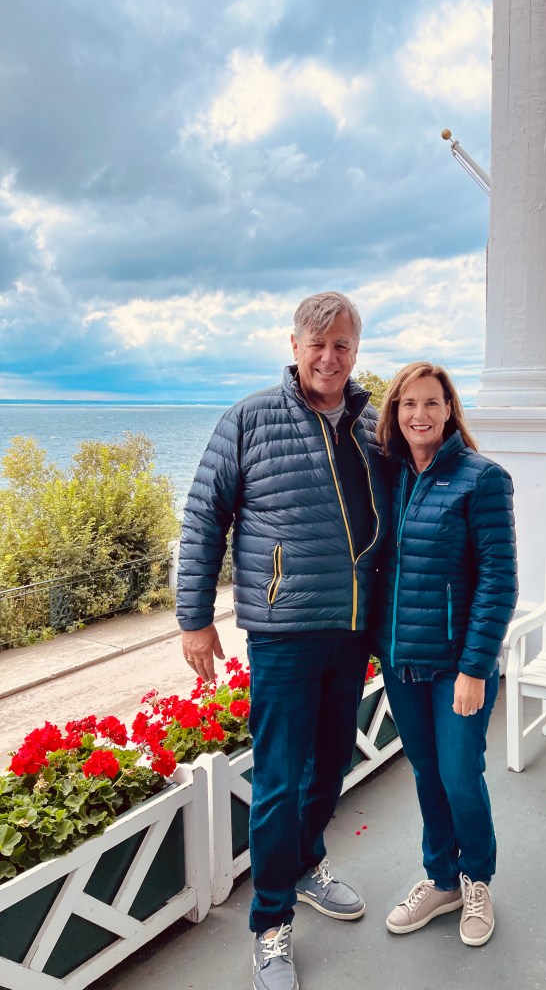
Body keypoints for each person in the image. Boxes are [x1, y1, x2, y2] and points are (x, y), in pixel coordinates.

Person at [175, 292, 387, 990]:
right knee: (277, 781)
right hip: (283, 632)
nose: (330, 357)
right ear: (294, 346)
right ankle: (271, 923)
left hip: (350, 630)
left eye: (343, 345)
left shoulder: (371, 425)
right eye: (317, 344)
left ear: (355, 351)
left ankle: (305, 865)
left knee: (329, 767)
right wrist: (194, 617)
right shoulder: (249, 420)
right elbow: (204, 517)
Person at [375, 361, 517, 948]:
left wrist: (474, 668)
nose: (420, 414)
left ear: (450, 409)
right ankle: (441, 880)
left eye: (431, 402)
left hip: (458, 667)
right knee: (427, 775)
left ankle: (476, 879)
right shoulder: (388, 475)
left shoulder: (482, 479)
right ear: (395, 411)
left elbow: (498, 581)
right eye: (408, 403)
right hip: (401, 662)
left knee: (460, 775)